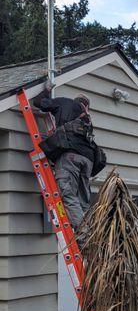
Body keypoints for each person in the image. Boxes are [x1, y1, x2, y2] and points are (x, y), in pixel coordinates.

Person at [33, 79, 94, 233]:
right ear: (86, 106)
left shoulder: (65, 103)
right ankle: (91, 232)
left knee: (68, 195)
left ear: (77, 101)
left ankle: (84, 237)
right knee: (83, 200)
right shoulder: (88, 120)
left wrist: (47, 90)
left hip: (70, 156)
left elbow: (39, 102)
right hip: (88, 160)